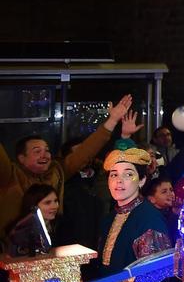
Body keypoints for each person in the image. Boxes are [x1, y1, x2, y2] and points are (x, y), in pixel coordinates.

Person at [0, 94, 136, 235]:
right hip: (11, 247)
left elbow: (85, 152)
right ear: (21, 158)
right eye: (37, 151)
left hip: (52, 240)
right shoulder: (9, 175)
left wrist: (113, 120)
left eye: (47, 150)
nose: (44, 155)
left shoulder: (57, 171)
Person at [90, 147, 173, 282]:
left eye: (128, 174)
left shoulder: (147, 219)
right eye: (114, 174)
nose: (119, 181)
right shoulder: (110, 217)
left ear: (142, 180)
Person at [4, 183, 59, 250]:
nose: (55, 206)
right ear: (33, 206)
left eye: (56, 201)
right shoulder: (19, 230)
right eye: (47, 203)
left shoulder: (60, 224)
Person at [141, 177, 178, 242]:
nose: (171, 194)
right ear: (151, 199)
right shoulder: (150, 218)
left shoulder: (169, 212)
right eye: (164, 192)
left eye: (171, 190)